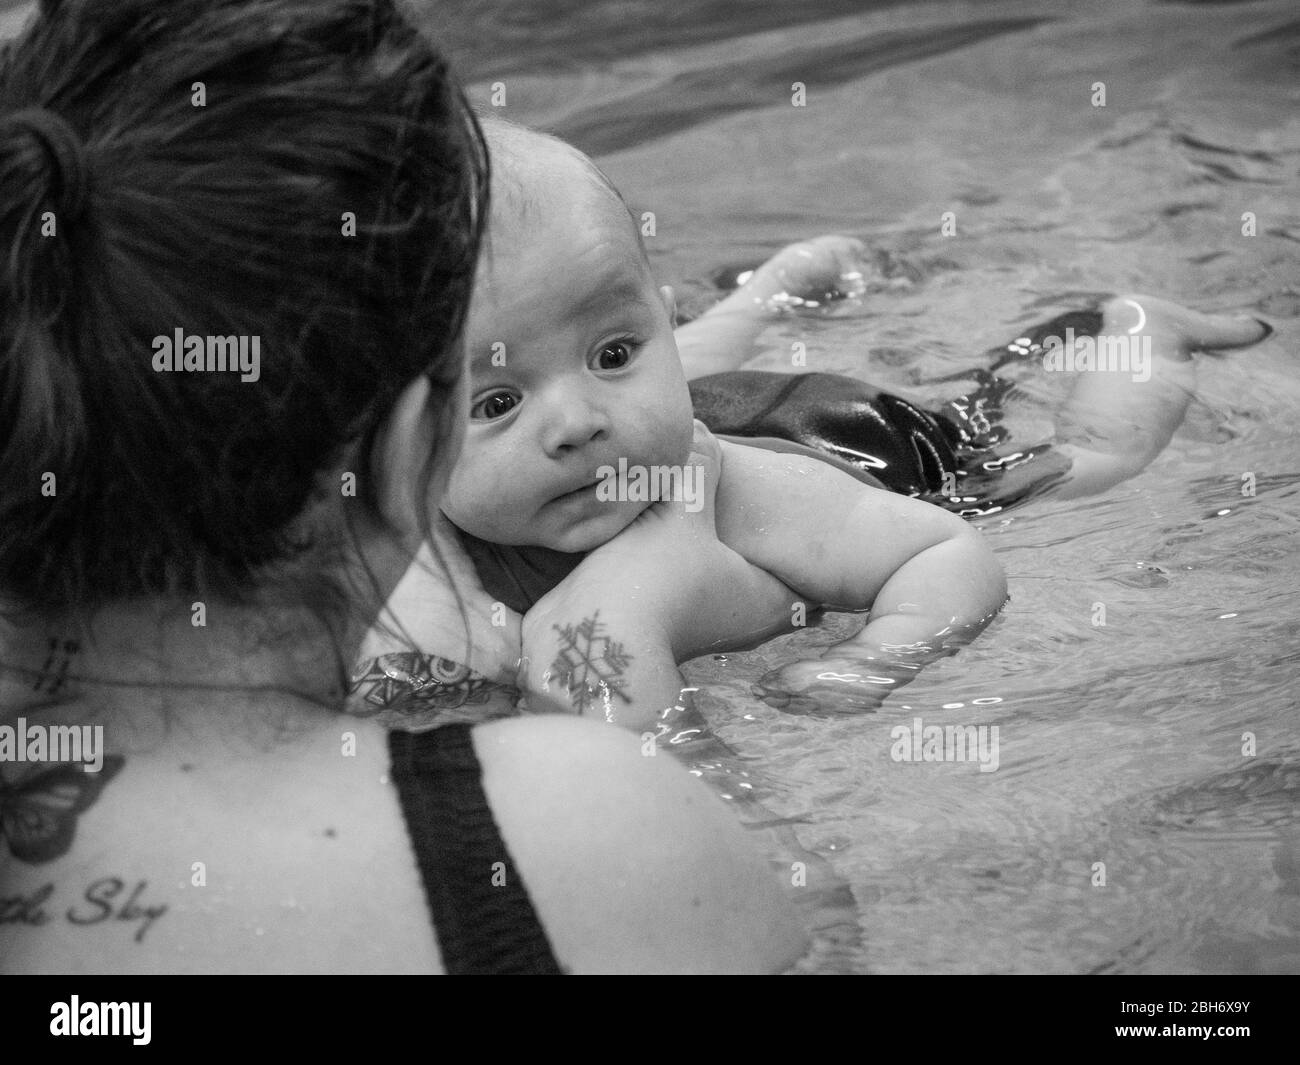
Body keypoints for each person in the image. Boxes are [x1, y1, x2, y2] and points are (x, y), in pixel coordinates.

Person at [0, 0, 806, 974]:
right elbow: (815, 928)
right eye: (491, 399)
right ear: (412, 445)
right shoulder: (595, 848)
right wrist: (640, 618)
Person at [425, 119, 1272, 726]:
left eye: (615, 350)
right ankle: (766, 294)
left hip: (850, 440)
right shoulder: (411, 542)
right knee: (634, 362)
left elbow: (944, 551)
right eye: (497, 402)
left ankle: (1142, 334)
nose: (574, 423)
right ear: (398, 443)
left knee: (1082, 464)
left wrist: (877, 655)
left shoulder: (739, 493)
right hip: (707, 388)